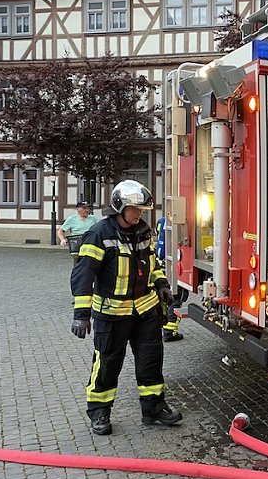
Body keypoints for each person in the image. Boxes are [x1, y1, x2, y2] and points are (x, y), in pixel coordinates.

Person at [70, 180, 183, 435]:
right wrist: (81, 315)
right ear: (119, 207)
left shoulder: (143, 232)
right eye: (135, 209)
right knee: (108, 363)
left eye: (142, 210)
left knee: (151, 361)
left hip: (145, 312)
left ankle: (153, 408)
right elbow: (83, 275)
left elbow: (151, 265)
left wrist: (162, 283)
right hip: (111, 315)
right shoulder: (99, 234)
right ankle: (99, 411)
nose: (140, 214)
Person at [154, 215, 190, 342]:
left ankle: (162, 328)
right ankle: (169, 332)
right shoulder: (177, 222)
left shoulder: (161, 221)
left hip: (162, 263)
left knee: (165, 298)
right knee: (176, 298)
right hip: (172, 265)